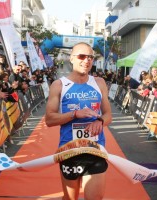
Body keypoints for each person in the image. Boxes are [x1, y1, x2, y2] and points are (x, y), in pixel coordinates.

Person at [45, 42, 112, 200]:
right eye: (82, 56)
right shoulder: (59, 85)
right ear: (72, 59)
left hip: (95, 149)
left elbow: (108, 114)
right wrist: (75, 114)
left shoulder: (99, 83)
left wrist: (100, 121)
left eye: (90, 57)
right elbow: (49, 119)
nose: (87, 60)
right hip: (70, 150)